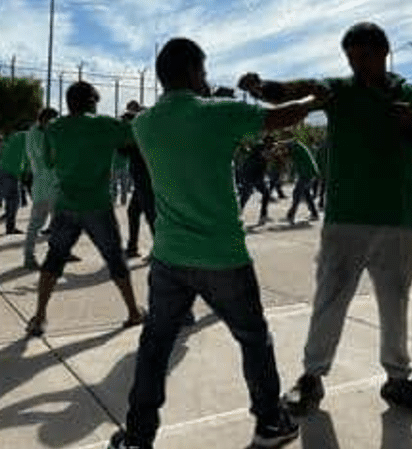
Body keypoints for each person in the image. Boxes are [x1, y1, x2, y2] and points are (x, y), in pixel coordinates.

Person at [106, 38, 317, 449]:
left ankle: (137, 437)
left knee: (154, 346)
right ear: (189, 71)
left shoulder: (144, 124)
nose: (206, 79)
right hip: (223, 256)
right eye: (202, 70)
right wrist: (315, 97)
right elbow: (283, 117)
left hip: (168, 257)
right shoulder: (217, 113)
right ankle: (269, 422)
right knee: (254, 339)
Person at [240, 21, 412, 427]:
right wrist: (261, 86)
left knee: (396, 304)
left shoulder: (410, 95)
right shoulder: (339, 89)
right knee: (330, 300)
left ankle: (398, 380)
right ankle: (312, 377)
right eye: (350, 58)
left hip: (397, 218)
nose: (356, 65)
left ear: (385, 52)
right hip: (345, 219)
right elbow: (295, 89)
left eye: (364, 57)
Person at [25, 82, 144, 338]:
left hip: (65, 204)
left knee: (54, 259)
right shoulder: (103, 124)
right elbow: (136, 133)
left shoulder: (54, 128)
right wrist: (135, 114)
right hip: (98, 205)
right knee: (114, 259)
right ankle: (133, 312)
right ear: (91, 101)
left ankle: (39, 317)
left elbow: (48, 161)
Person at [23, 109, 59, 270]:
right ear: (46, 120)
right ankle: (31, 257)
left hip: (41, 184)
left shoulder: (32, 133)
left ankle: (30, 256)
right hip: (50, 185)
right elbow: (50, 157)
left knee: (38, 224)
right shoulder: (41, 136)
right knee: (48, 223)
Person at [120, 102, 156, 258]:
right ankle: (132, 247)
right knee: (133, 212)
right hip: (142, 181)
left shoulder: (141, 134)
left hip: (146, 180)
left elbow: (124, 150)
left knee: (151, 215)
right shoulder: (139, 132)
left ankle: (160, 251)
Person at [238, 135, 273, 225]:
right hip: (250, 173)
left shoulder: (264, 147)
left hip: (256, 174)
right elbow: (262, 155)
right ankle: (236, 214)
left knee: (265, 194)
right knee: (246, 195)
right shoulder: (260, 146)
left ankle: (263, 216)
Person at [285, 138, 320, 225]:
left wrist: (291, 176)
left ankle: (291, 214)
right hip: (309, 173)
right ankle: (314, 213)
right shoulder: (297, 147)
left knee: (297, 193)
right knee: (307, 194)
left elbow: (294, 162)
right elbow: (295, 164)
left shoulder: (296, 148)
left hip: (307, 174)